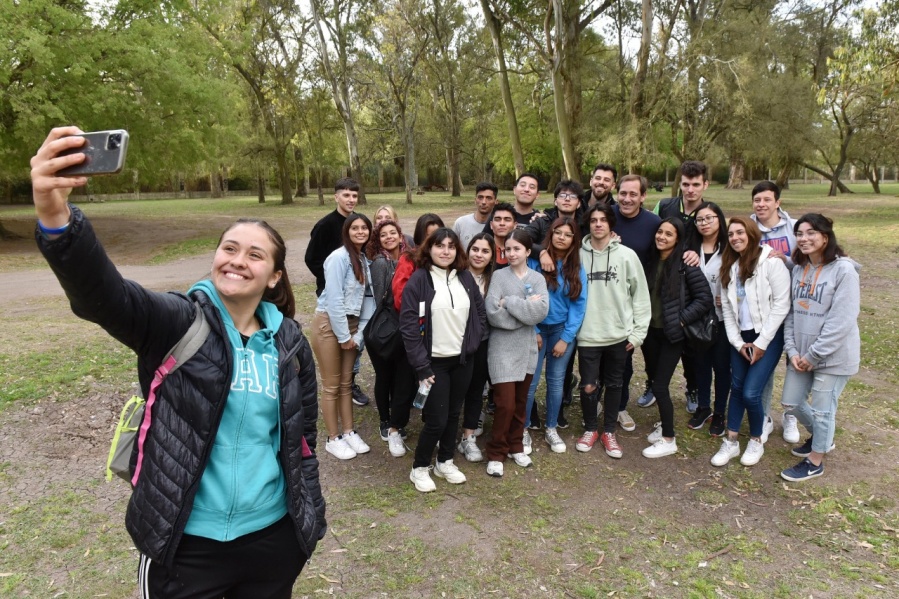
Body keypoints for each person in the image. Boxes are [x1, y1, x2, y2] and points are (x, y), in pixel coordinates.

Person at [32, 127, 325, 597]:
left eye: (255, 255)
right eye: (228, 248)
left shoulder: (289, 344)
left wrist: (306, 522)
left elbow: (302, 438)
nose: (237, 260)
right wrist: (55, 215)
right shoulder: (177, 322)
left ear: (274, 277)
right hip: (187, 545)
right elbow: (103, 297)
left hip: (273, 541)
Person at [399, 229, 486, 492]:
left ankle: (445, 461)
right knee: (436, 419)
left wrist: (471, 344)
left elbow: (479, 315)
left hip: (461, 361)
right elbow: (409, 327)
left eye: (450, 246)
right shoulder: (419, 280)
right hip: (433, 364)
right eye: (439, 246)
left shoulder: (465, 279)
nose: (445, 251)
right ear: (429, 249)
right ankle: (420, 467)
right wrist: (422, 366)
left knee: (452, 414)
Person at [780, 214, 860, 481]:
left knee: (824, 408)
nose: (804, 238)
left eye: (811, 233)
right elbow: (790, 313)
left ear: (825, 236)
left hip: (834, 356)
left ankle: (816, 460)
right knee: (791, 402)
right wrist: (792, 351)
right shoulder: (799, 269)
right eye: (799, 233)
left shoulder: (844, 271)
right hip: (800, 354)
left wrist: (815, 355)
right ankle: (823, 438)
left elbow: (842, 320)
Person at [710, 217, 790, 468]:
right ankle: (731, 441)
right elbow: (728, 313)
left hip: (768, 336)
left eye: (740, 232)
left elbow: (781, 305)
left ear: (752, 233)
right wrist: (737, 343)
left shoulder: (771, 263)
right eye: (731, 234)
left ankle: (756, 439)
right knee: (737, 386)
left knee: (751, 392)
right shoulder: (729, 267)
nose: (734, 238)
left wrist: (761, 343)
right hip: (741, 338)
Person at [575, 205, 650, 458]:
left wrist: (638, 333)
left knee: (615, 383)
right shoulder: (578, 256)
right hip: (588, 335)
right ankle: (590, 429)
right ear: (588, 224)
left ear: (611, 225)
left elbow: (640, 296)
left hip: (619, 336)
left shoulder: (627, 255)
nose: (598, 224)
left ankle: (609, 431)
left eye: (603, 220)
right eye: (593, 220)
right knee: (588, 386)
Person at [641, 218, 713, 458]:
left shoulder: (685, 264)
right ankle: (664, 421)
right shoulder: (650, 261)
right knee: (654, 379)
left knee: (660, 385)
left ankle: (669, 438)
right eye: (660, 232)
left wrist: (681, 320)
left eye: (668, 234)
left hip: (673, 334)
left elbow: (704, 298)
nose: (662, 237)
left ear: (678, 239)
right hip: (650, 332)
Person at [310, 214, 376, 460]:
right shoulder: (337, 258)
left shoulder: (363, 260)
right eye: (355, 228)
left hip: (352, 326)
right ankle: (333, 437)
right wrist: (342, 336)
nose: (360, 232)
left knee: (347, 383)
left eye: (364, 228)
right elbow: (335, 300)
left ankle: (348, 431)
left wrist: (358, 335)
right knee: (332, 384)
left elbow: (369, 301)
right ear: (346, 231)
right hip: (330, 323)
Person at [484, 230, 549, 477]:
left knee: (521, 403)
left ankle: (515, 445)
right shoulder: (499, 277)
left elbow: (540, 312)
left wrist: (509, 302)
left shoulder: (538, 278)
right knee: (505, 404)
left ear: (527, 252)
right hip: (501, 349)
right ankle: (496, 452)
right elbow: (492, 312)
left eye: (516, 249)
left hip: (528, 349)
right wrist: (524, 315)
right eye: (507, 249)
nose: (511, 253)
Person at [304, 177, 370, 407]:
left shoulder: (358, 224)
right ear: (336, 197)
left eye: (354, 195)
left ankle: (349, 382)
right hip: (332, 295)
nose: (351, 199)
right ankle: (341, 384)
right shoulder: (325, 226)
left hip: (355, 297)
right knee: (336, 339)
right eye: (346, 195)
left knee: (354, 342)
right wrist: (333, 282)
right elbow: (311, 259)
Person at [524, 217, 587, 454]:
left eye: (567, 234)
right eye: (557, 232)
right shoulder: (534, 262)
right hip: (536, 330)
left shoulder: (577, 268)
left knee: (556, 381)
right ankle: (524, 429)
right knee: (530, 382)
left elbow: (578, 305)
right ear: (550, 235)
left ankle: (551, 427)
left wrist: (565, 338)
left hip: (561, 331)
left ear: (574, 239)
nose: (562, 237)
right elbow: (525, 296)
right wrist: (534, 330)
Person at [653, 160, 709, 414]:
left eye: (695, 185)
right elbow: (654, 231)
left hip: (693, 279)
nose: (690, 190)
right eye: (685, 184)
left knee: (690, 346)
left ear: (705, 185)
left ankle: (693, 388)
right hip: (669, 280)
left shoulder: (708, 212)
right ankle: (651, 384)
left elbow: (717, 242)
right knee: (658, 341)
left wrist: (698, 255)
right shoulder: (666, 206)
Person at [748, 181, 799, 444]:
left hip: (794, 306)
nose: (762, 204)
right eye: (757, 200)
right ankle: (765, 416)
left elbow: (808, 258)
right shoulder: (747, 227)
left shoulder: (795, 228)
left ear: (777, 202)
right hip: (761, 309)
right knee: (764, 364)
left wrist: (785, 259)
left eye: (767, 200)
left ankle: (790, 414)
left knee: (794, 362)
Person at [609, 175, 661, 426]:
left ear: (643, 197)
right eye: (623, 193)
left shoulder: (653, 223)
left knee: (625, 356)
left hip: (637, 299)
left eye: (633, 194)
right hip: (605, 298)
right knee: (600, 354)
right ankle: (601, 399)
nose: (627, 199)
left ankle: (619, 406)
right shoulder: (604, 216)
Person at [366, 219, 415, 457]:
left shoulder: (410, 257)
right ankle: (385, 420)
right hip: (386, 328)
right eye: (383, 235)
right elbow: (380, 299)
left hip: (406, 325)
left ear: (400, 234)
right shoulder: (380, 262)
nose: (388, 237)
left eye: (392, 233)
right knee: (384, 376)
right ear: (378, 239)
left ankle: (398, 419)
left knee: (401, 376)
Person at [687, 202, 731, 436]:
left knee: (722, 368)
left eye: (709, 218)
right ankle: (704, 407)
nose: (704, 223)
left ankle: (720, 413)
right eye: (699, 220)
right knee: (700, 365)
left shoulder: (730, 248)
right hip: (697, 320)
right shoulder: (690, 248)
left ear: (719, 219)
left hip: (723, 319)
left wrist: (728, 299)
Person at [457, 232, 496, 462]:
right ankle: (445, 433)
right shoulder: (456, 275)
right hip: (455, 343)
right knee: (454, 391)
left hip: (482, 342)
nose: (479, 254)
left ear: (492, 256)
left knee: (475, 389)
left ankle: (468, 437)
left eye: (485, 251)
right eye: (475, 249)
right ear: (468, 250)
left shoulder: (496, 279)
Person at [391, 213, 445, 311]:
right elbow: (401, 299)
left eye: (437, 236)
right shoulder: (409, 259)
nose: (434, 241)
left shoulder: (446, 259)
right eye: (429, 236)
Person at [453, 182, 498, 248]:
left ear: (496, 202)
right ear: (475, 200)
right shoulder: (461, 223)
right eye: (480, 197)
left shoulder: (499, 226)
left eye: (489, 198)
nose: (483, 202)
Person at [488, 202, 518, 268]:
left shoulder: (521, 252)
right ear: (491, 225)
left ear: (515, 225)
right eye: (497, 219)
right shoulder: (483, 250)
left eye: (507, 220)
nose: (502, 223)